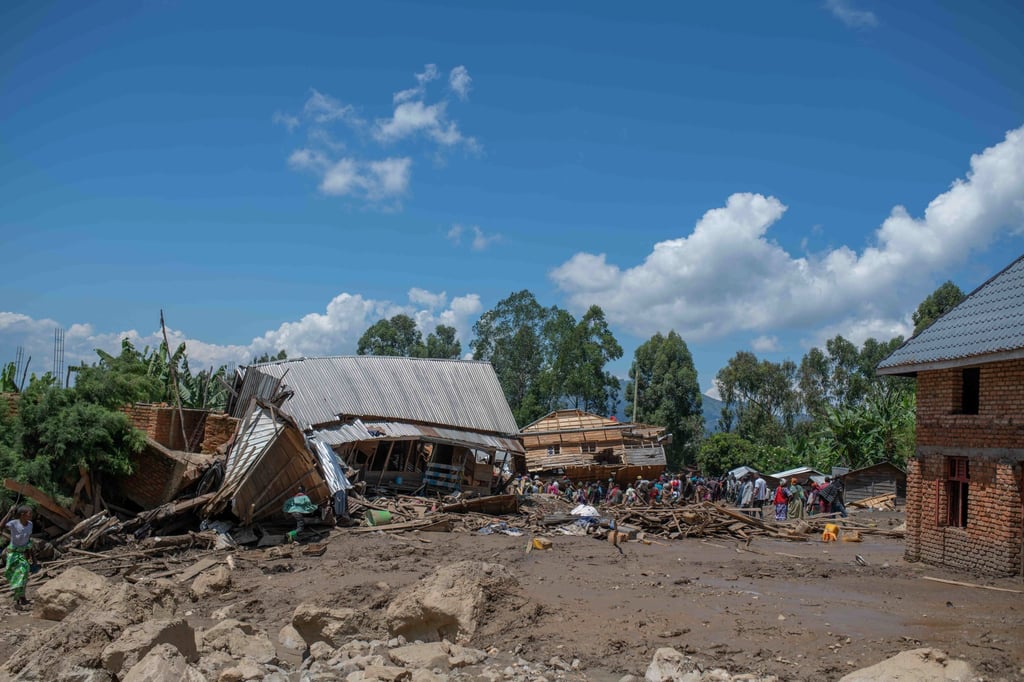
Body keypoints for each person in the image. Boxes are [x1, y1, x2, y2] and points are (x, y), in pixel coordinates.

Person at [3, 505, 34, 609]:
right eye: (29, 513)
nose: (31, 515)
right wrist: (9, 513)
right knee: (16, 576)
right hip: (13, 554)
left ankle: (21, 597)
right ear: (23, 514)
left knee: (23, 574)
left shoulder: (30, 524)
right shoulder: (13, 523)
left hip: (23, 553)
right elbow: (1, 526)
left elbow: (28, 539)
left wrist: (30, 555)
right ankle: (18, 597)